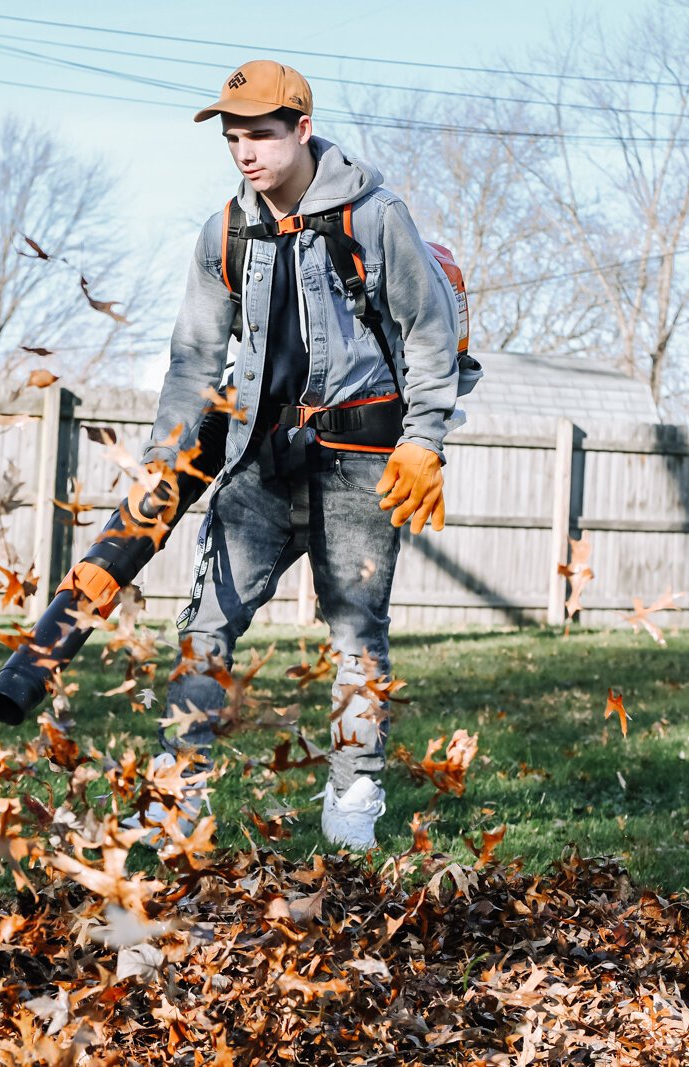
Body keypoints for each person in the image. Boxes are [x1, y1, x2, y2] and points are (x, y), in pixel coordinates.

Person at [126, 60, 469, 851]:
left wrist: (422, 442)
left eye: (261, 135)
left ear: (302, 130)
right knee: (206, 621)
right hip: (257, 457)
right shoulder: (224, 233)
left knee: (356, 632)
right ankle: (179, 790)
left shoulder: (375, 216)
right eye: (233, 137)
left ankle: (355, 796)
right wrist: (162, 457)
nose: (245, 152)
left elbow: (427, 336)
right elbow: (193, 359)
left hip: (359, 459)